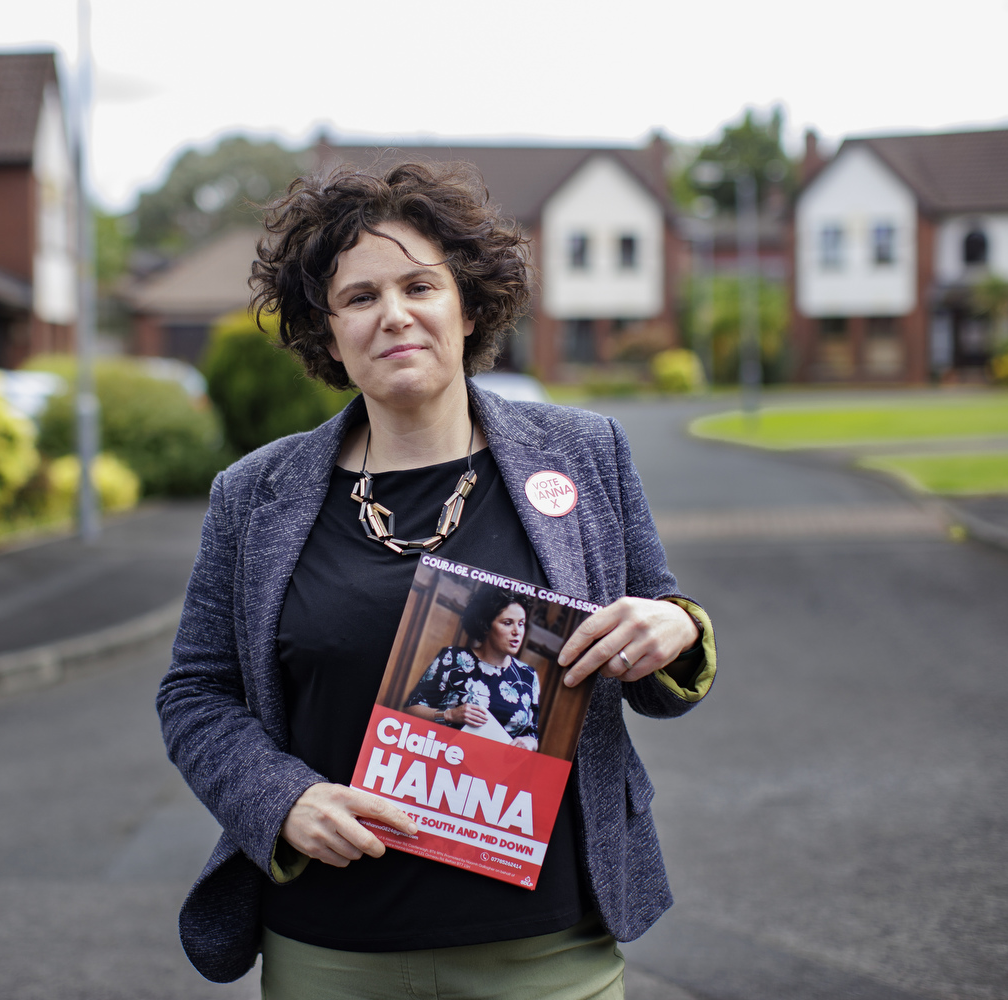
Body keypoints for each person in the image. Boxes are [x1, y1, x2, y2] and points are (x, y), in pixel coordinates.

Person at [155, 161, 716, 999]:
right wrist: (280, 800)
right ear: (328, 330)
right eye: (359, 297)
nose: (394, 316)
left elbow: (661, 650)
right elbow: (196, 692)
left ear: (468, 304)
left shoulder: (584, 454)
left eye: (420, 285)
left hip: (547, 944)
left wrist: (675, 629)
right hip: (332, 950)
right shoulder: (255, 494)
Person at [403, 589, 540, 751]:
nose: (517, 632)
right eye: (508, 623)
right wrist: (449, 715)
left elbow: (532, 732)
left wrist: (530, 743)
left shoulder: (528, 676)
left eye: (521, 623)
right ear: (486, 625)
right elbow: (411, 709)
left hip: (498, 771)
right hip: (446, 759)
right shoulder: (452, 659)